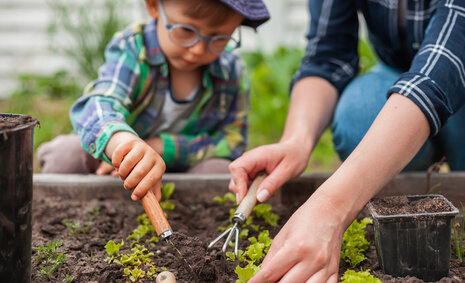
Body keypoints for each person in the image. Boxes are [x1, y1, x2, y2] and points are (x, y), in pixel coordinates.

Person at [229, 0, 465, 282]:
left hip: (452, 71)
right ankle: (411, 185)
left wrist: (330, 208)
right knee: (358, 118)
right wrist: (296, 141)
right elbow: (327, 57)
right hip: (399, 72)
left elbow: (439, 71)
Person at [37, 0, 270, 201]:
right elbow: (100, 102)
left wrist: (160, 147)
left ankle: (181, 215)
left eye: (219, 38)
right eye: (186, 30)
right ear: (153, 6)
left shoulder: (232, 71)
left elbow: (232, 142)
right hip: (112, 159)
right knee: (65, 156)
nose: (198, 49)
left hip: (182, 170)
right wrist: (122, 145)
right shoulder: (133, 47)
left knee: (222, 172)